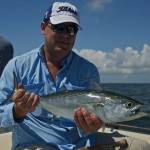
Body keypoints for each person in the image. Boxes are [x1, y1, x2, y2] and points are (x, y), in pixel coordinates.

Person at [0, 2, 149, 150]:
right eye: (59, 27)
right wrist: (17, 110)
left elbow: (89, 127)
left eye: (72, 29)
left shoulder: (88, 70)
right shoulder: (18, 66)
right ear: (43, 28)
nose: (65, 35)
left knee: (140, 146)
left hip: (82, 144)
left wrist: (90, 127)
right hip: (35, 144)